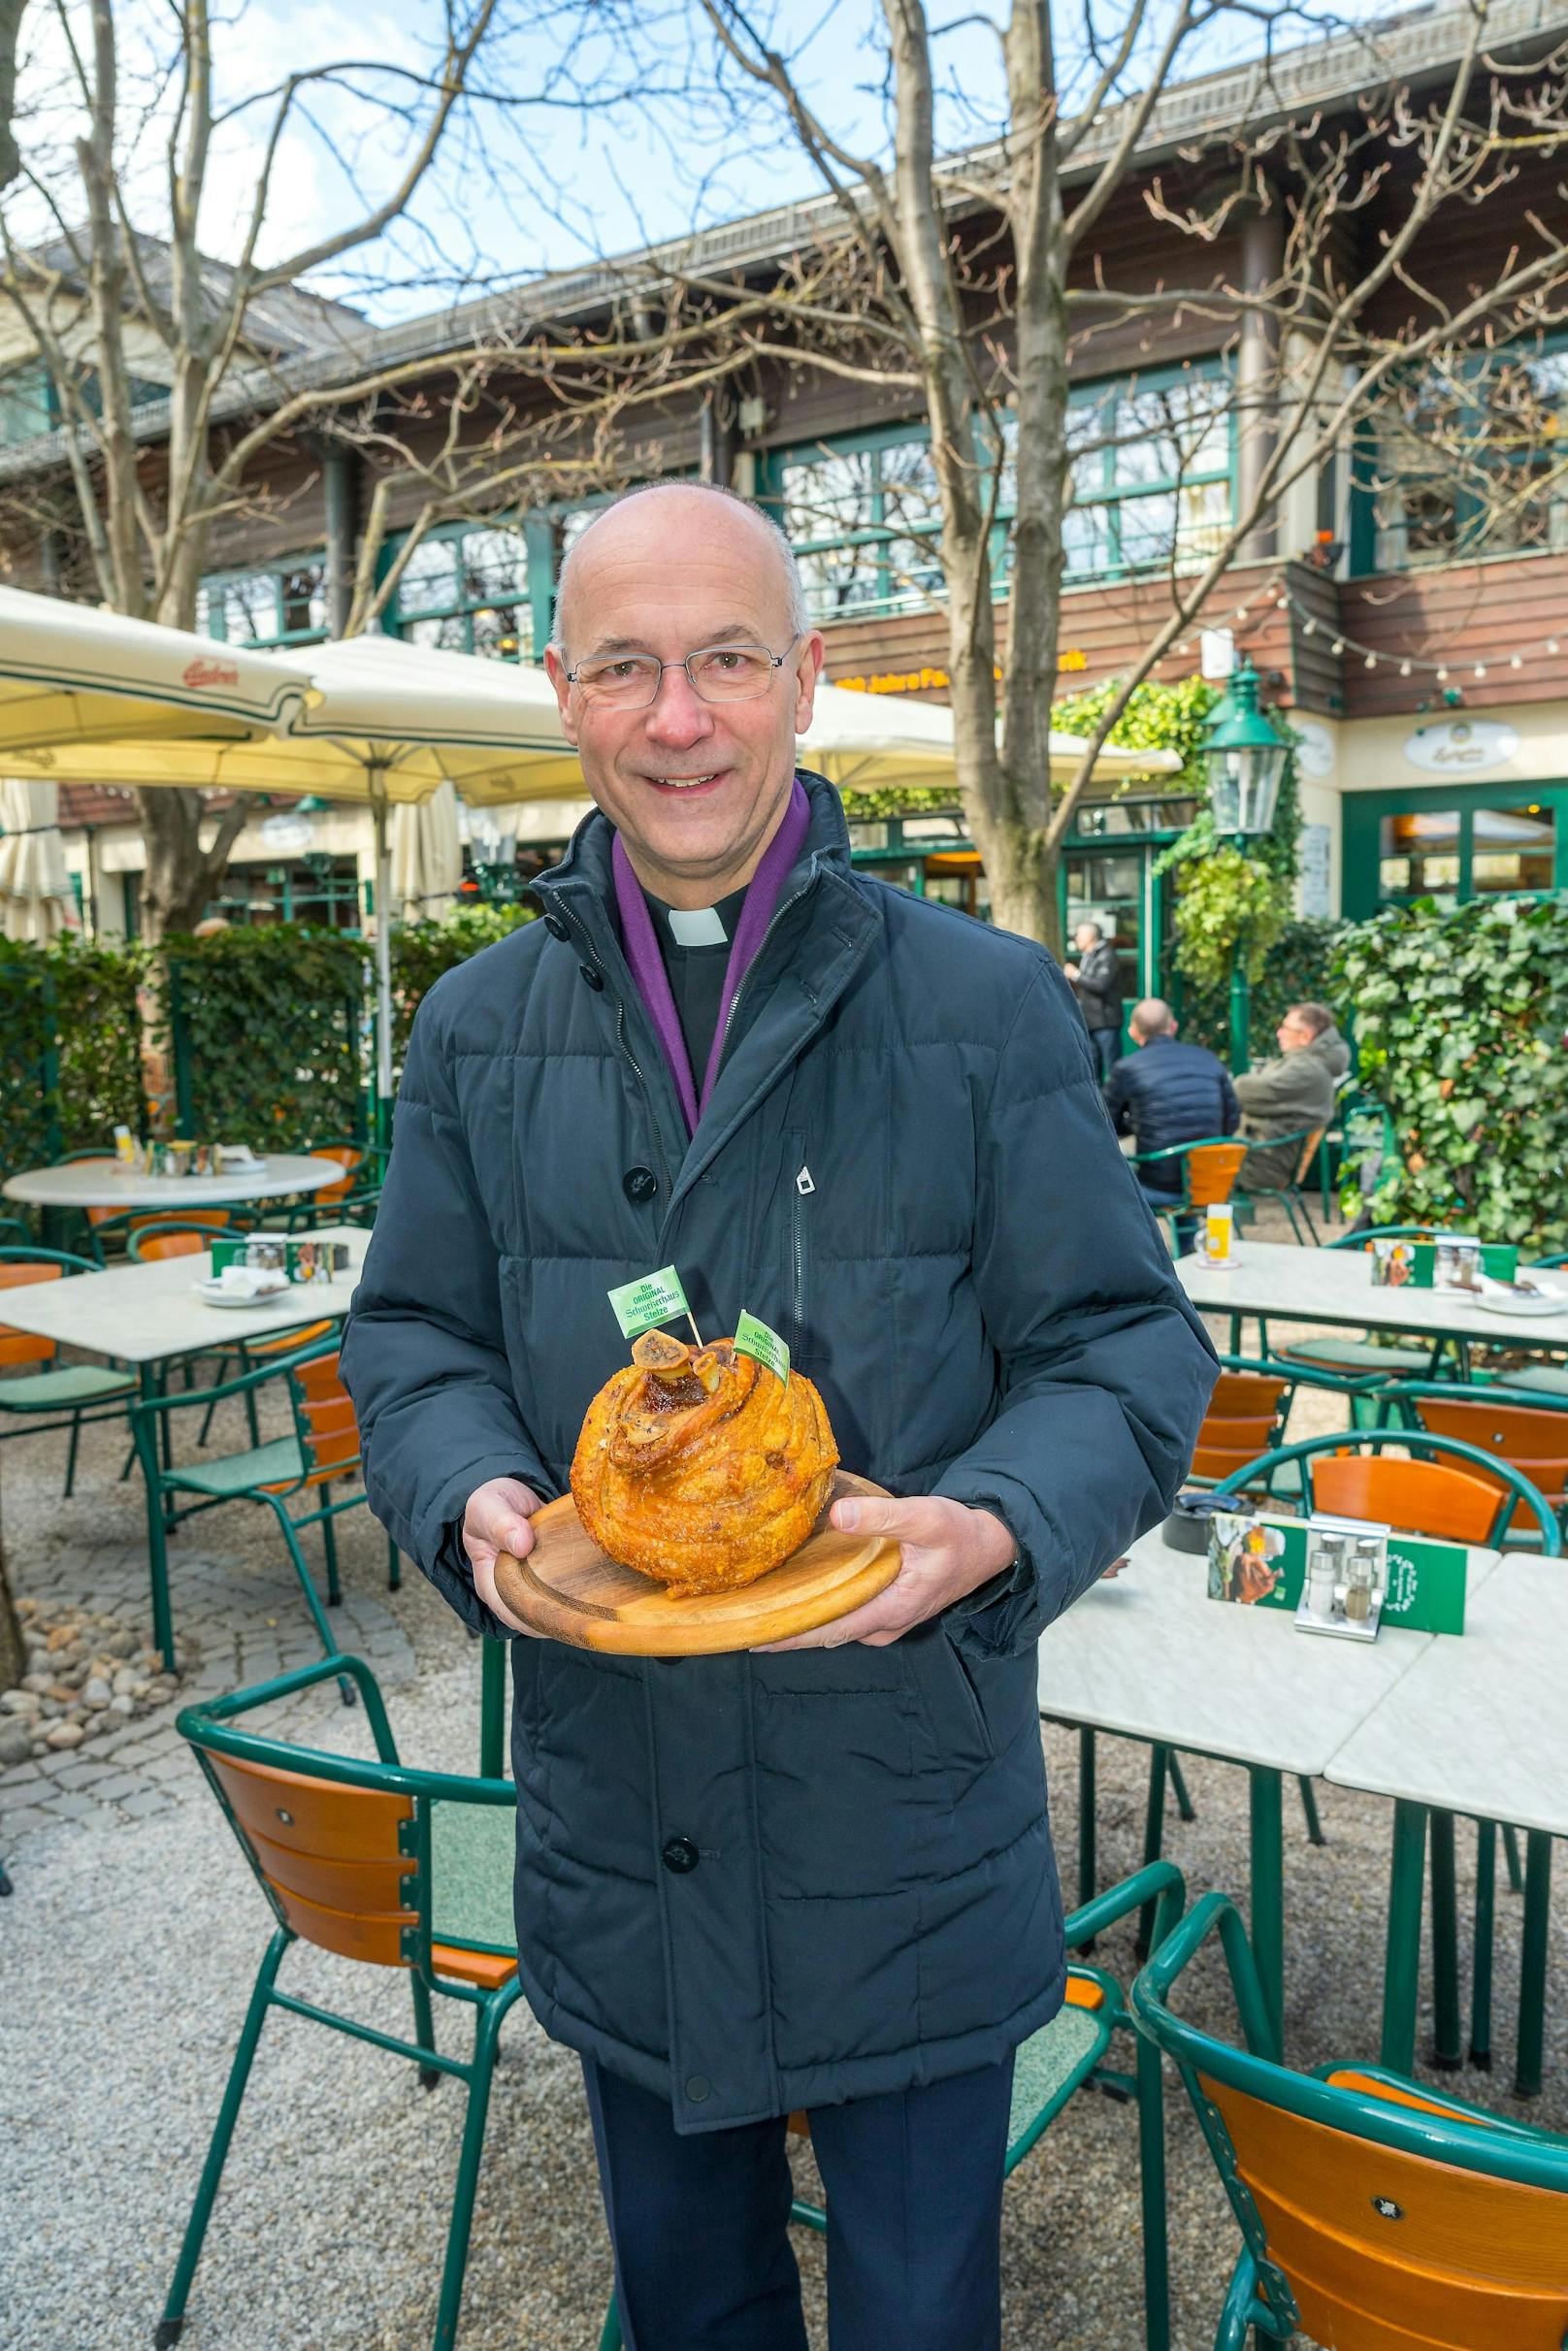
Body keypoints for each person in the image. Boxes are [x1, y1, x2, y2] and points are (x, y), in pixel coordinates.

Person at [340, 480, 1217, 2351]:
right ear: (561, 692)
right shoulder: (479, 1028)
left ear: (806, 677)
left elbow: (1131, 1354)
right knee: (691, 2314)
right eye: (632, 668)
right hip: (621, 1820)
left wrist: (992, 1521)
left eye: (727, 658)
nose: (682, 717)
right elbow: (409, 1336)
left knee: (917, 2318)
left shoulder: (982, 1006)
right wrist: (470, 1482)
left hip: (903, 1829)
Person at [1105, 996, 1240, 1236]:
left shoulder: (1127, 1068)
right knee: (1182, 1162)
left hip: (1159, 1186)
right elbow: (1231, 1120)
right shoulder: (1208, 1059)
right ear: (1173, 1026)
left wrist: (1134, 1122)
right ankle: (1186, 1248)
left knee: (1107, 1185)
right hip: (1211, 1183)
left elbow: (1106, 1125)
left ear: (1133, 1032)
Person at [1233, 999, 1348, 1191]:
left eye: (1286, 1028)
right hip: (1260, 1155)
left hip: (1260, 1165)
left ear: (1305, 1036)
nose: (1279, 1033)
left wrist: (1230, 1085)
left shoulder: (1306, 1070)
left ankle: (1187, 1220)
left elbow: (1242, 1092)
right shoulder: (1311, 1065)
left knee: (1180, 1161)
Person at [1061, 918, 1125, 1079]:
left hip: (1106, 1022)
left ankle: (1114, 1104)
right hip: (1089, 1022)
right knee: (1092, 1070)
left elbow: (1101, 985)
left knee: (1113, 1070)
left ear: (1090, 937)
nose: (1076, 938)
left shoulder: (1107, 955)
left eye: (1079, 935)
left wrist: (1076, 975)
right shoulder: (1088, 956)